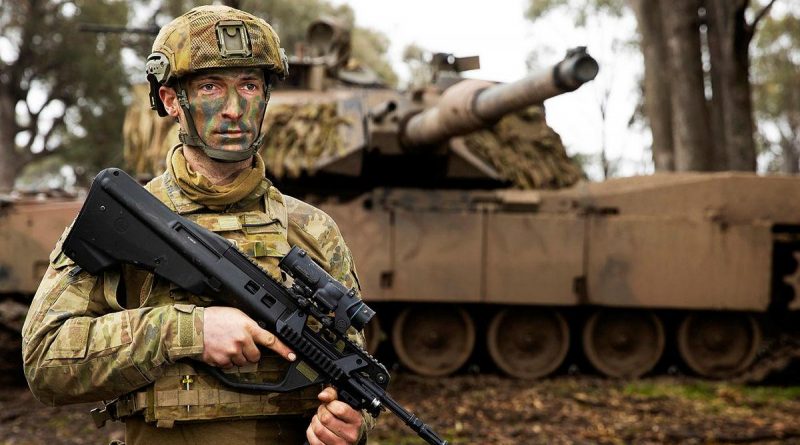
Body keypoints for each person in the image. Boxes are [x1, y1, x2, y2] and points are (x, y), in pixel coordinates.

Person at [22, 5, 373, 445]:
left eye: (249, 86)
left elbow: (353, 369)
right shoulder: (124, 218)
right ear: (171, 100)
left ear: (265, 97)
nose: (233, 109)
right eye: (211, 86)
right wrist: (188, 331)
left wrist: (349, 426)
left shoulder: (314, 230)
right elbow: (44, 361)